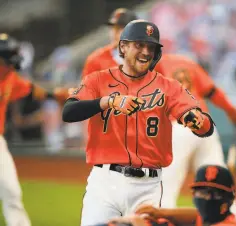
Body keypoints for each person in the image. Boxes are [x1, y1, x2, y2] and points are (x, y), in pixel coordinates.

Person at [62, 20, 216, 226]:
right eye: (139, 45)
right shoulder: (97, 80)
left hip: (148, 187)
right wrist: (109, 101)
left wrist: (197, 120)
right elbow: (69, 111)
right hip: (105, 183)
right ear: (123, 47)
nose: (145, 51)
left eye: (150, 47)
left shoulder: (169, 87)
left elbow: (204, 125)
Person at [154, 54, 236, 224]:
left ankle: (161, 223)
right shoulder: (189, 63)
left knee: (165, 185)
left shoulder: (154, 63)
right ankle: (235, 221)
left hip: (179, 125)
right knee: (220, 182)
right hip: (204, 125)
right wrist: (233, 112)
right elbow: (213, 92)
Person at [0, 33, 68, 226]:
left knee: (11, 191)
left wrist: (57, 96)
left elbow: (33, 91)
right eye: (7, 61)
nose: (11, 66)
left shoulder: (10, 78)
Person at [134, 165, 236, 225]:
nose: (206, 199)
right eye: (201, 192)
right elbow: (196, 215)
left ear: (229, 199)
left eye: (215, 194)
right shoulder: (208, 219)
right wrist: (162, 213)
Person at [82, 8, 138, 78]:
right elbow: (86, 88)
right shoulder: (96, 60)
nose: (114, 32)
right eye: (113, 28)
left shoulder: (150, 60)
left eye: (120, 28)